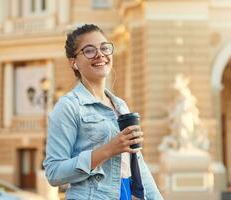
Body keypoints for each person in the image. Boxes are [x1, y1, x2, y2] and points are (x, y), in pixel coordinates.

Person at [43, 24, 163, 200]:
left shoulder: (120, 106)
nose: (100, 54)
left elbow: (138, 163)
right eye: (89, 50)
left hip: (124, 193)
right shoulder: (68, 106)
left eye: (104, 48)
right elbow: (54, 173)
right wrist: (107, 150)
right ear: (74, 62)